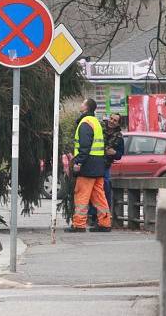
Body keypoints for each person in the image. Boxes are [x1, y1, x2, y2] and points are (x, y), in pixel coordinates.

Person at [65, 98, 112, 233]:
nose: (80, 105)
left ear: (86, 108)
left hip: (88, 165)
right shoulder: (95, 122)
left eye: (82, 103)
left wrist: (78, 162)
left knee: (82, 195)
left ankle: (79, 224)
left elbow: (85, 147)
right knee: (99, 196)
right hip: (98, 164)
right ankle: (105, 223)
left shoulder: (85, 123)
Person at [88, 113, 124, 224]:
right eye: (111, 118)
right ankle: (92, 215)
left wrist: (114, 153)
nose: (112, 121)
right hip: (93, 163)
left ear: (118, 123)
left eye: (115, 120)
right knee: (92, 188)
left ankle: (104, 216)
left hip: (105, 166)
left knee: (105, 187)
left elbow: (120, 154)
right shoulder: (99, 127)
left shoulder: (119, 136)